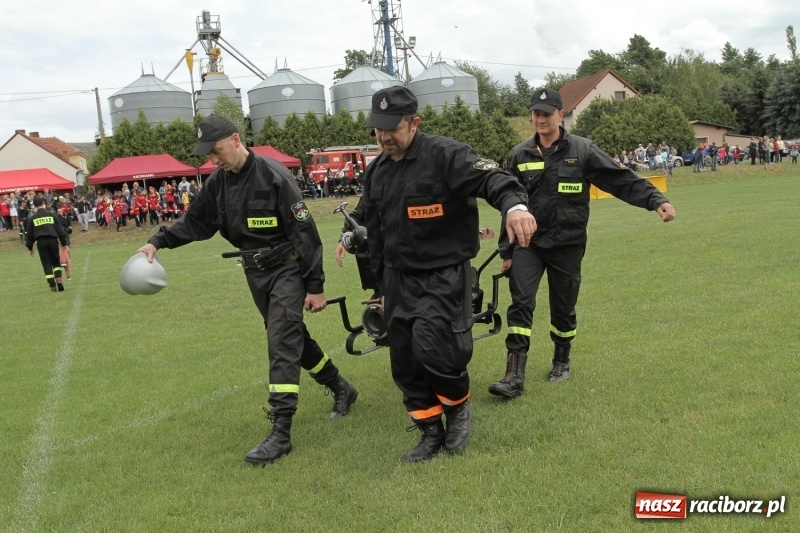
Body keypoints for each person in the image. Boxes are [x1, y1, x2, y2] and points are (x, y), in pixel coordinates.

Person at [136, 114, 358, 466]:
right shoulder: (218, 183)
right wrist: (157, 242)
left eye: (217, 151)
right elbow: (195, 222)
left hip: (287, 269)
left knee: (281, 341)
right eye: (208, 155)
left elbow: (306, 235)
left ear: (236, 140)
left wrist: (315, 287)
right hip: (255, 274)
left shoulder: (275, 177)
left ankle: (281, 431)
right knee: (292, 338)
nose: (213, 160)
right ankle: (341, 387)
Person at [360, 87, 536, 462]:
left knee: (436, 352)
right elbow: (374, 232)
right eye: (378, 129)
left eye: (393, 128)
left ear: (415, 123)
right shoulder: (376, 171)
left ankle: (457, 410)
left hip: (442, 275)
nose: (384, 137)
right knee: (404, 361)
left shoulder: (447, 155)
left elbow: (494, 179)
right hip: (396, 279)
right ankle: (428, 429)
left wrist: (515, 206)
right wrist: (379, 287)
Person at [487, 87, 676, 398]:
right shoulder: (520, 154)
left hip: (567, 243)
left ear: (560, 115)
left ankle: (561, 361)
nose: (540, 119)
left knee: (563, 307)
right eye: (535, 113)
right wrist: (506, 251)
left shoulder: (583, 150)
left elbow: (619, 178)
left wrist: (655, 200)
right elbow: (510, 206)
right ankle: (513, 375)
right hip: (528, 244)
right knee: (521, 304)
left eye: (546, 114)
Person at [25, 196, 70, 292]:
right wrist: (64, 243)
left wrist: (30, 247)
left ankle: (52, 285)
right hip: (53, 240)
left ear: (35, 205)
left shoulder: (33, 218)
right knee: (56, 262)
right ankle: (58, 279)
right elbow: (60, 230)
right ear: (43, 203)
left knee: (46, 264)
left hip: (41, 242)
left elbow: (29, 235)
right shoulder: (51, 214)